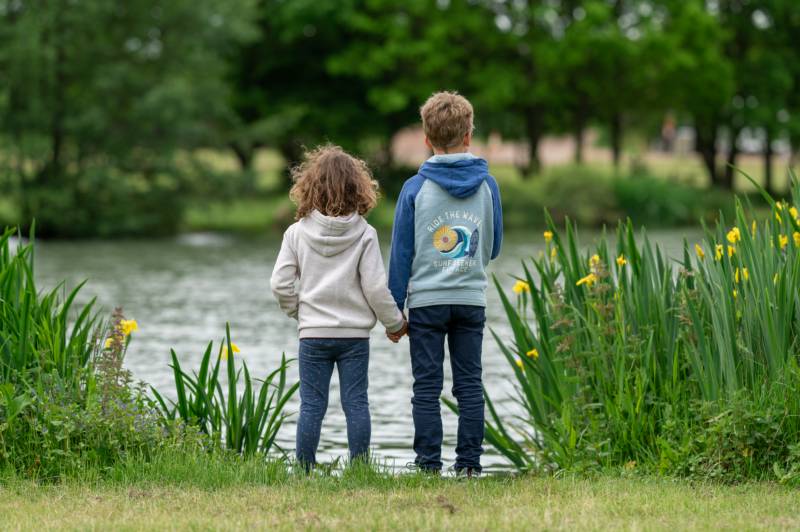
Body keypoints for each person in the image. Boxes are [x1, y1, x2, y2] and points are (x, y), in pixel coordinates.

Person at [270, 145, 407, 469]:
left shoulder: (296, 233)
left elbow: (279, 284)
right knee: (356, 403)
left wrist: (299, 313)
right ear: (358, 188)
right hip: (354, 338)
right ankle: (359, 469)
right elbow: (375, 287)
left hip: (313, 335)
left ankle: (304, 470)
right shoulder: (365, 234)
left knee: (312, 405)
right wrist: (395, 324)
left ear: (309, 187)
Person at [388, 91, 503, 477]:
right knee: (470, 384)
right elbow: (495, 245)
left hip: (426, 302)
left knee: (426, 387)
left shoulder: (414, 189)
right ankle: (469, 465)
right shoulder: (489, 187)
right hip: (471, 299)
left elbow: (401, 254)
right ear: (469, 134)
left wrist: (393, 309)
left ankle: (427, 465)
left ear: (426, 139)